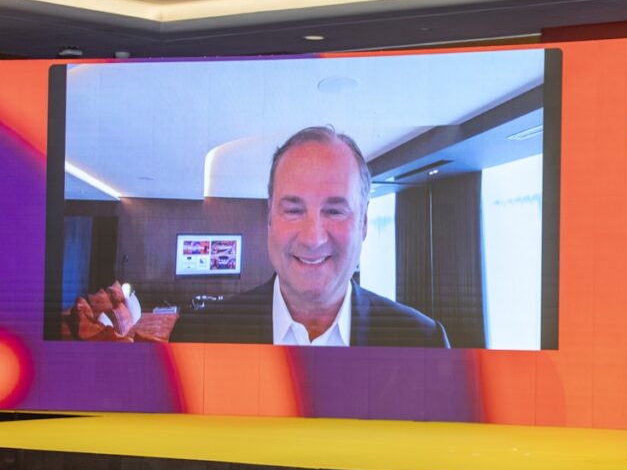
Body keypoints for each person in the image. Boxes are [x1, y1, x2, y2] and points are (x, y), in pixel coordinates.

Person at [172, 126, 450, 347]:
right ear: (270, 218)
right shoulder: (199, 337)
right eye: (293, 210)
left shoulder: (423, 342)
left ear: (364, 223)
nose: (313, 238)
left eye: (334, 211)